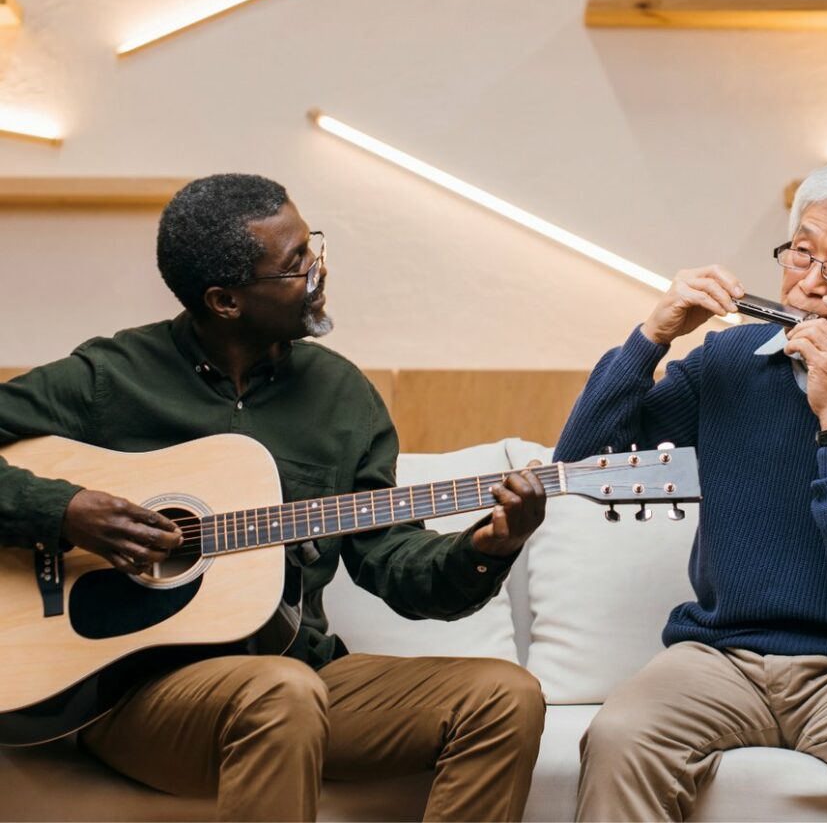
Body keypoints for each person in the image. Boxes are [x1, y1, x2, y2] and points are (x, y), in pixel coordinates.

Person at [0, 174, 547, 822]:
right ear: (226, 300)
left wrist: (489, 544)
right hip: (137, 694)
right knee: (279, 693)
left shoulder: (343, 397)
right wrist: (65, 511)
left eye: (310, 246)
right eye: (294, 265)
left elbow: (393, 563)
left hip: (301, 670)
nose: (318, 270)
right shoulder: (110, 379)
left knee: (505, 695)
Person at [555, 162, 827, 822]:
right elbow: (583, 461)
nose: (808, 283)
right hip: (720, 656)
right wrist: (653, 336)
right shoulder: (727, 364)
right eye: (801, 253)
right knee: (619, 736)